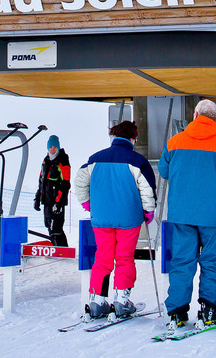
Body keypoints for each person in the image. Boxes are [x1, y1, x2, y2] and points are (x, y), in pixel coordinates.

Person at [159, 99, 216, 329]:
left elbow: (164, 171)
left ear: (195, 115)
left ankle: (177, 312)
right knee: (213, 263)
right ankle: (210, 309)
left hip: (182, 215)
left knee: (181, 262)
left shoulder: (174, 142)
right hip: (214, 217)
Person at [75, 120, 157, 319]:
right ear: (132, 138)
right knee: (124, 257)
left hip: (101, 218)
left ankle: (97, 302)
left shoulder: (95, 159)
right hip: (129, 219)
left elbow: (79, 183)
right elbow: (147, 190)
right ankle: (121, 301)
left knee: (102, 258)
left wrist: (88, 204)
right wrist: (148, 211)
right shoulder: (137, 161)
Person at [33, 135, 71, 246]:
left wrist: (59, 203)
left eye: (55, 147)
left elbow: (65, 184)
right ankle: (56, 249)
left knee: (56, 228)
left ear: (58, 148)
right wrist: (38, 198)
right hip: (47, 200)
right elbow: (41, 181)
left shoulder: (63, 161)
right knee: (49, 226)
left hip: (56, 202)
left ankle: (62, 250)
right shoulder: (46, 161)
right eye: (50, 147)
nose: (52, 150)